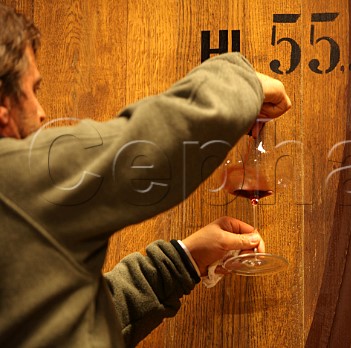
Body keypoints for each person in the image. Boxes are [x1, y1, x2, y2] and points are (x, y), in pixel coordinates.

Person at [0, 4, 291, 348]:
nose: (40, 110)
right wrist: (245, 82)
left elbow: (64, 326)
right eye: (32, 90)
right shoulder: (13, 181)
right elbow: (151, 146)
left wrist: (184, 260)